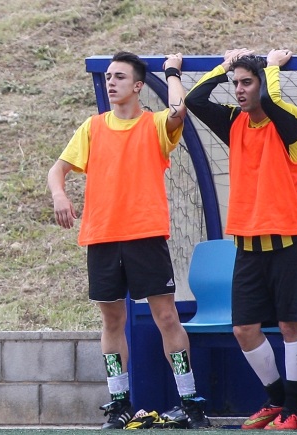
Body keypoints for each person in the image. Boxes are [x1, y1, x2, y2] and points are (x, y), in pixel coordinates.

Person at [47, 51, 210, 430]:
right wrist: (59, 194)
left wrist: (171, 73)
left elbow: (178, 109)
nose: (111, 82)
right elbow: (58, 170)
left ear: (138, 86)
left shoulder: (155, 125)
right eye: (108, 76)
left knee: (166, 317)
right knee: (112, 319)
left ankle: (189, 401)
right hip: (102, 236)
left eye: (120, 76)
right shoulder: (93, 127)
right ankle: (119, 403)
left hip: (145, 235)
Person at [185, 49, 297, 430]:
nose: (239, 90)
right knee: (244, 328)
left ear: (262, 84)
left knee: (291, 326)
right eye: (235, 83)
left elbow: (273, 101)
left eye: (247, 82)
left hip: (289, 242)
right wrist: (224, 66)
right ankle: (276, 401)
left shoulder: (291, 123)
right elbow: (194, 100)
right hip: (248, 245)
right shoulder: (235, 123)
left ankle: (294, 411)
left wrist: (271, 66)